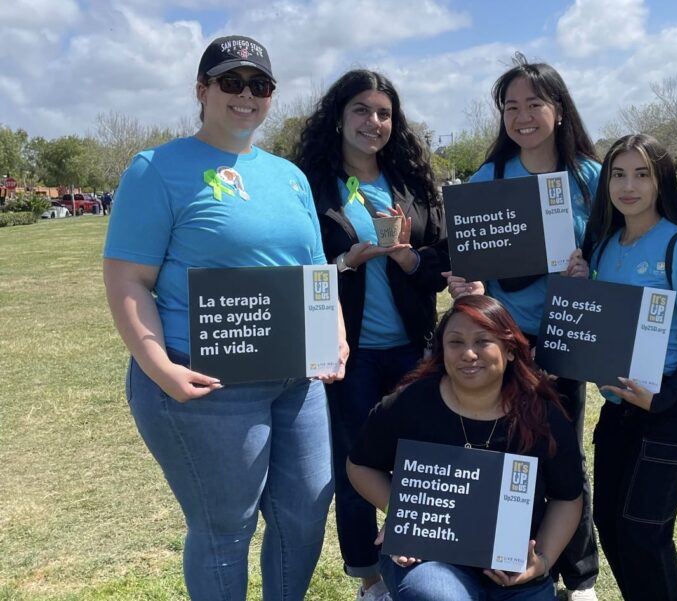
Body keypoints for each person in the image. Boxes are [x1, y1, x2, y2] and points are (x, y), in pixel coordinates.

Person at [102, 35, 346, 601]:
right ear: (202, 91)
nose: (246, 96)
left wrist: (332, 330)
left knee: (307, 515)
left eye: (258, 85)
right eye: (230, 82)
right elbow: (128, 280)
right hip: (205, 384)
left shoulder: (288, 175)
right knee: (225, 532)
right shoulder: (156, 169)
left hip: (297, 380)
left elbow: (314, 270)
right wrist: (158, 365)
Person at [444, 53, 601, 600]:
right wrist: (467, 286)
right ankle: (509, 556)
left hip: (565, 336)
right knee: (509, 451)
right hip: (504, 341)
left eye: (534, 103)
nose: (522, 116)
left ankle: (579, 578)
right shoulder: (488, 179)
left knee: (565, 456)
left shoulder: (591, 179)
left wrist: (590, 272)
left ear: (558, 109)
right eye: (511, 106)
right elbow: (471, 266)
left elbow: (619, 251)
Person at [292, 69, 448, 601]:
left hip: (412, 346)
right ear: (338, 116)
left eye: (384, 113)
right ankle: (370, 576)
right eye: (361, 110)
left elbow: (442, 263)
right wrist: (345, 262)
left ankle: (427, 554)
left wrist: (408, 259)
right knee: (358, 462)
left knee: (422, 455)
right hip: (347, 351)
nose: (373, 122)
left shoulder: (412, 184)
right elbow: (296, 270)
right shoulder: (309, 186)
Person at [347, 295, 585, 601]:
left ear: (510, 350)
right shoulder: (411, 402)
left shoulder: (541, 414)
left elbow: (567, 498)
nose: (468, 354)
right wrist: (404, 514)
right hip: (430, 560)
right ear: (441, 350)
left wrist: (542, 562)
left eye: (483, 341)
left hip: (512, 569)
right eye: (455, 342)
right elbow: (360, 465)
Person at [564, 134, 677, 600]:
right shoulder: (607, 247)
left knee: (644, 536)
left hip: (670, 411)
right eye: (618, 174)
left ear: (661, 181)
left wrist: (663, 398)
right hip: (618, 411)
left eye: (642, 173)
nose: (628, 186)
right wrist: (578, 287)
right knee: (609, 526)